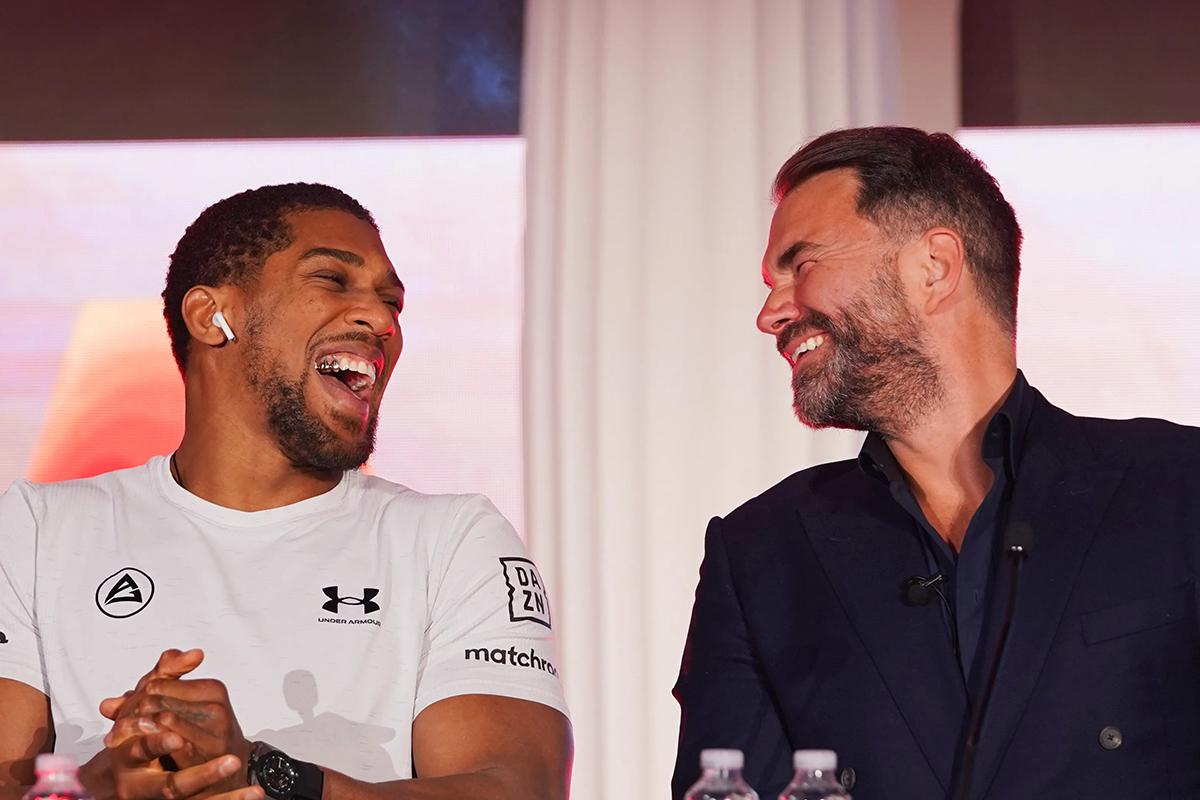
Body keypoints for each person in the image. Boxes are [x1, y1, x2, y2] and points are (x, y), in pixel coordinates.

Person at [671, 127, 1200, 800]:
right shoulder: (758, 556)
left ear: (934, 267)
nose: (770, 313)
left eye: (800, 266)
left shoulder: (1178, 490)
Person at [0, 183, 571, 800]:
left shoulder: (455, 541)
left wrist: (265, 774)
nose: (381, 319)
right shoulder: (35, 531)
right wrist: (108, 784)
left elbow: (517, 787)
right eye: (332, 279)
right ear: (211, 317)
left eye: (391, 302)